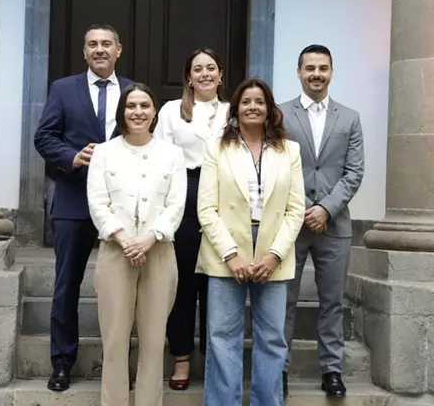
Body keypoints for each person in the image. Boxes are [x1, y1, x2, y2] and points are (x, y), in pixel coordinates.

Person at [33, 23, 133, 391]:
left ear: (118, 50)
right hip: (74, 199)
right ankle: (62, 361)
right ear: (84, 52)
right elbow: (43, 137)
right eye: (92, 44)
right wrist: (72, 156)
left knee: (125, 285)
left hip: (123, 204)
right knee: (66, 284)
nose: (100, 50)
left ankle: (120, 362)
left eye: (107, 44)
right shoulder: (63, 89)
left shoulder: (133, 92)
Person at [196, 77, 305, 406]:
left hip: (274, 251)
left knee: (272, 339)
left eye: (259, 102)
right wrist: (232, 255)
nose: (253, 107)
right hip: (225, 250)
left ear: (269, 109)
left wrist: (273, 255)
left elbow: (295, 210)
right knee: (222, 338)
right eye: (246, 102)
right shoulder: (217, 147)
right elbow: (206, 207)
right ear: (236, 108)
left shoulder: (290, 150)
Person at [87, 83, 186, 406]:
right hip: (116, 253)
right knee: (115, 341)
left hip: (158, 253)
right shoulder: (104, 152)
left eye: (145, 105)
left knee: (155, 341)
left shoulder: (172, 154)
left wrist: (148, 238)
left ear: (154, 111)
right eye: (131, 106)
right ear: (122, 112)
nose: (138, 112)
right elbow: (98, 203)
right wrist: (125, 239)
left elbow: (176, 204)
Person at [279, 44, 365, 398]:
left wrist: (326, 208)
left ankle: (331, 370)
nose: (316, 74)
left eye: (323, 68)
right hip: (290, 222)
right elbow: (275, 165)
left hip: (334, 224)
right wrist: (299, 207)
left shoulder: (350, 117)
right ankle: (279, 369)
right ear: (298, 72)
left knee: (332, 302)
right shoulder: (280, 115)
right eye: (309, 68)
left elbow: (354, 171)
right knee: (283, 299)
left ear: (331, 72)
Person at [153, 48, 229, 390]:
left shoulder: (233, 111)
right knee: (183, 285)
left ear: (220, 75)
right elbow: (160, 160)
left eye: (211, 68)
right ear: (188, 76)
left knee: (217, 285)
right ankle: (181, 358)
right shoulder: (171, 111)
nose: (204, 74)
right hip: (183, 195)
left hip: (226, 201)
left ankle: (215, 358)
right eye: (197, 69)